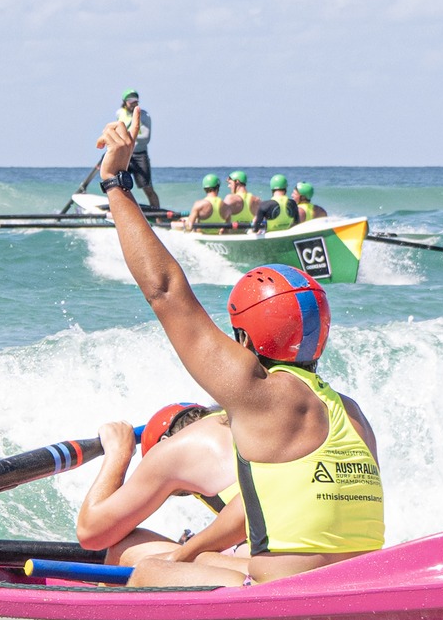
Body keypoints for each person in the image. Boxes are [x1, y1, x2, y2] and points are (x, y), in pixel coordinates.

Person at [90, 120, 386, 587]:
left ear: (245, 339)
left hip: (286, 597)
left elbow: (164, 290)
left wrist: (115, 184)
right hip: (359, 583)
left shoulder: (258, 395)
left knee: (147, 570)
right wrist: (190, 553)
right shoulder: (352, 414)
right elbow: (270, 503)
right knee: (199, 561)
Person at [75, 401, 244, 563]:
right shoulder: (237, 416)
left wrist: (119, 452)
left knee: (125, 548)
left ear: (164, 441)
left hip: (255, 567)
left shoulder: (172, 450)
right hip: (254, 555)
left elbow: (90, 534)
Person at [114, 91, 161, 211]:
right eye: (131, 102)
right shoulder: (120, 113)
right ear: (125, 102)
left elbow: (146, 138)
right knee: (117, 185)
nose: (133, 104)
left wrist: (128, 135)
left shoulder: (144, 115)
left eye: (135, 102)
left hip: (139, 154)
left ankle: (158, 216)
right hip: (124, 154)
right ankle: (121, 211)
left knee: (147, 187)